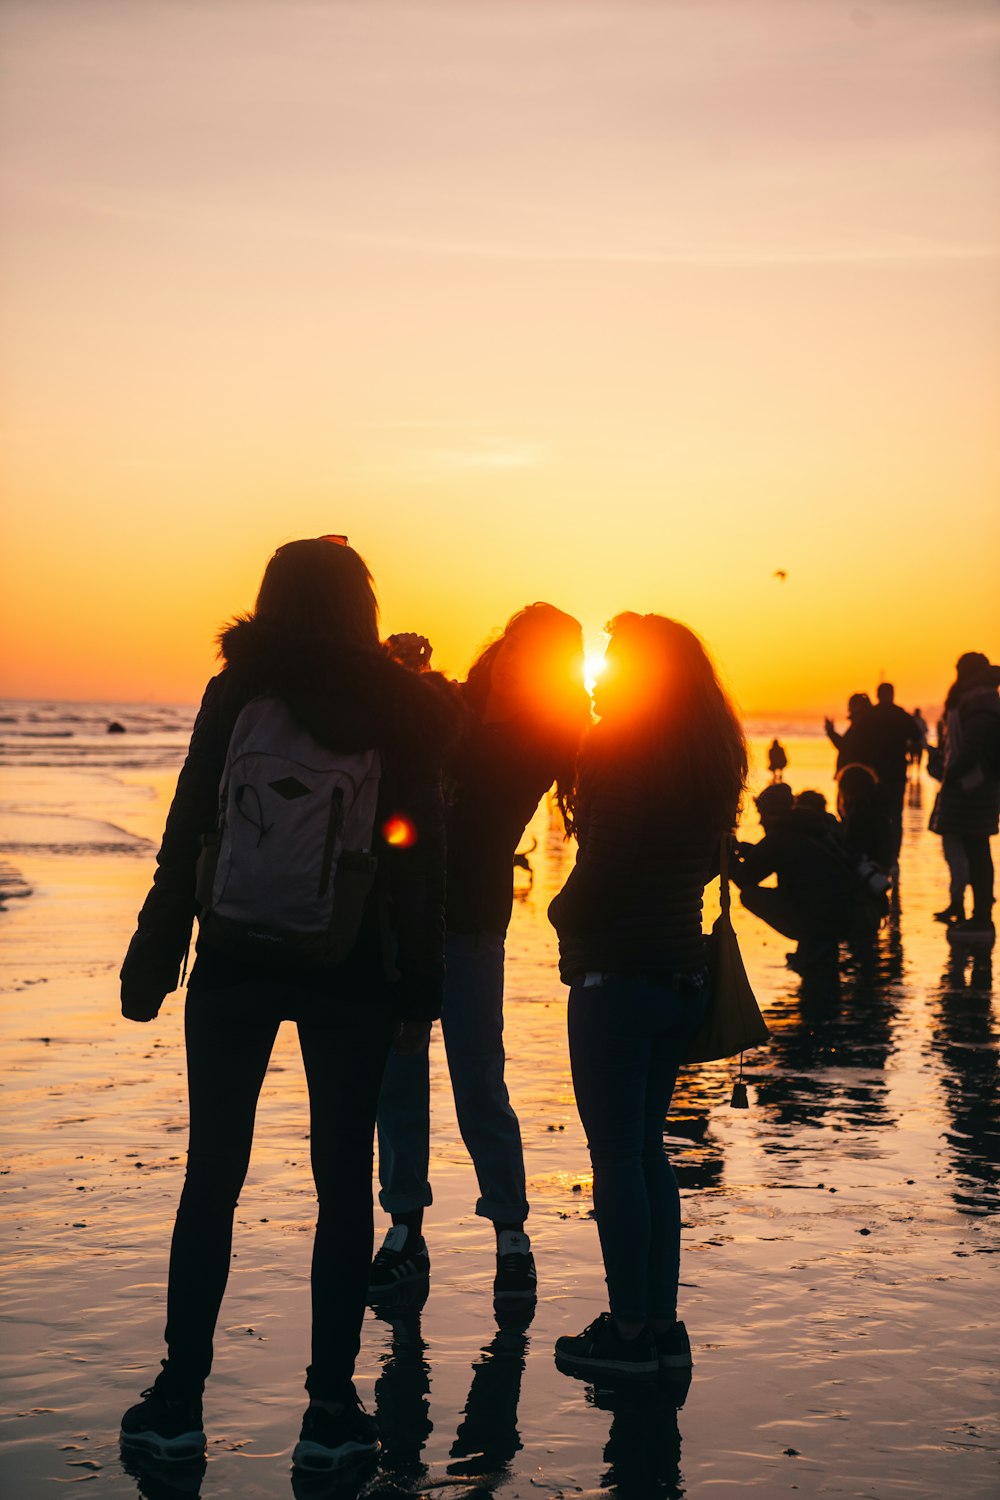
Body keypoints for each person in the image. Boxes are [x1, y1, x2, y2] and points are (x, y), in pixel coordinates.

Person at [117, 538, 460, 1471]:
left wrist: (155, 955)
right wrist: (420, 988)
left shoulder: (237, 692)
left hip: (230, 956)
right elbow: (423, 854)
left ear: (270, 602)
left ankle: (178, 1399)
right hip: (351, 967)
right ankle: (329, 1410)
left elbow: (191, 820)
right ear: (363, 609)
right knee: (342, 1183)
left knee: (213, 1177)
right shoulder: (399, 709)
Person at [548, 613, 747, 1380]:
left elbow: (608, 861)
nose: (602, 673)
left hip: (618, 979)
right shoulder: (704, 753)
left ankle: (629, 1332)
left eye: (617, 660)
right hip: (680, 974)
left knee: (618, 1158)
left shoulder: (622, 745)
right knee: (648, 1154)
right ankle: (658, 1326)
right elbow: (697, 862)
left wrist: (563, 915)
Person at [373, 603, 589, 1310]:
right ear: (506, 644)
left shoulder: (547, 735)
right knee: (398, 1074)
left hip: (472, 922)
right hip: (401, 908)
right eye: (522, 645)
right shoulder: (449, 701)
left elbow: (607, 785)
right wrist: (399, 667)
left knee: (479, 1081)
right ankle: (406, 1228)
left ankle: (510, 1231)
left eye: (545, 658)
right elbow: (388, 730)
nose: (524, 661)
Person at [732, 781, 867, 972]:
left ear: (772, 814)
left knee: (749, 895)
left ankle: (812, 940)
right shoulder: (810, 826)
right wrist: (749, 851)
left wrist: (727, 855)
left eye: (762, 814)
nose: (760, 821)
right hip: (845, 914)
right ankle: (816, 944)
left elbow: (744, 878)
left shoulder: (780, 836)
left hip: (822, 917)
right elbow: (786, 856)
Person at [929, 652, 1000, 942]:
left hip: (973, 788)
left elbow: (972, 748)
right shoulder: (980, 698)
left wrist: (952, 775)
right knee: (975, 849)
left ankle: (982, 916)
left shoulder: (980, 700)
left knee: (977, 850)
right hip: (974, 787)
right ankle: (979, 913)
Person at [866, 683, 919, 865]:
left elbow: (859, 741)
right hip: (896, 770)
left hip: (874, 773)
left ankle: (878, 854)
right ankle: (894, 856)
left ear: (878, 695)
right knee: (896, 816)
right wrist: (908, 750)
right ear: (892, 695)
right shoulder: (900, 714)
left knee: (875, 813)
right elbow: (917, 735)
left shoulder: (870, 715)